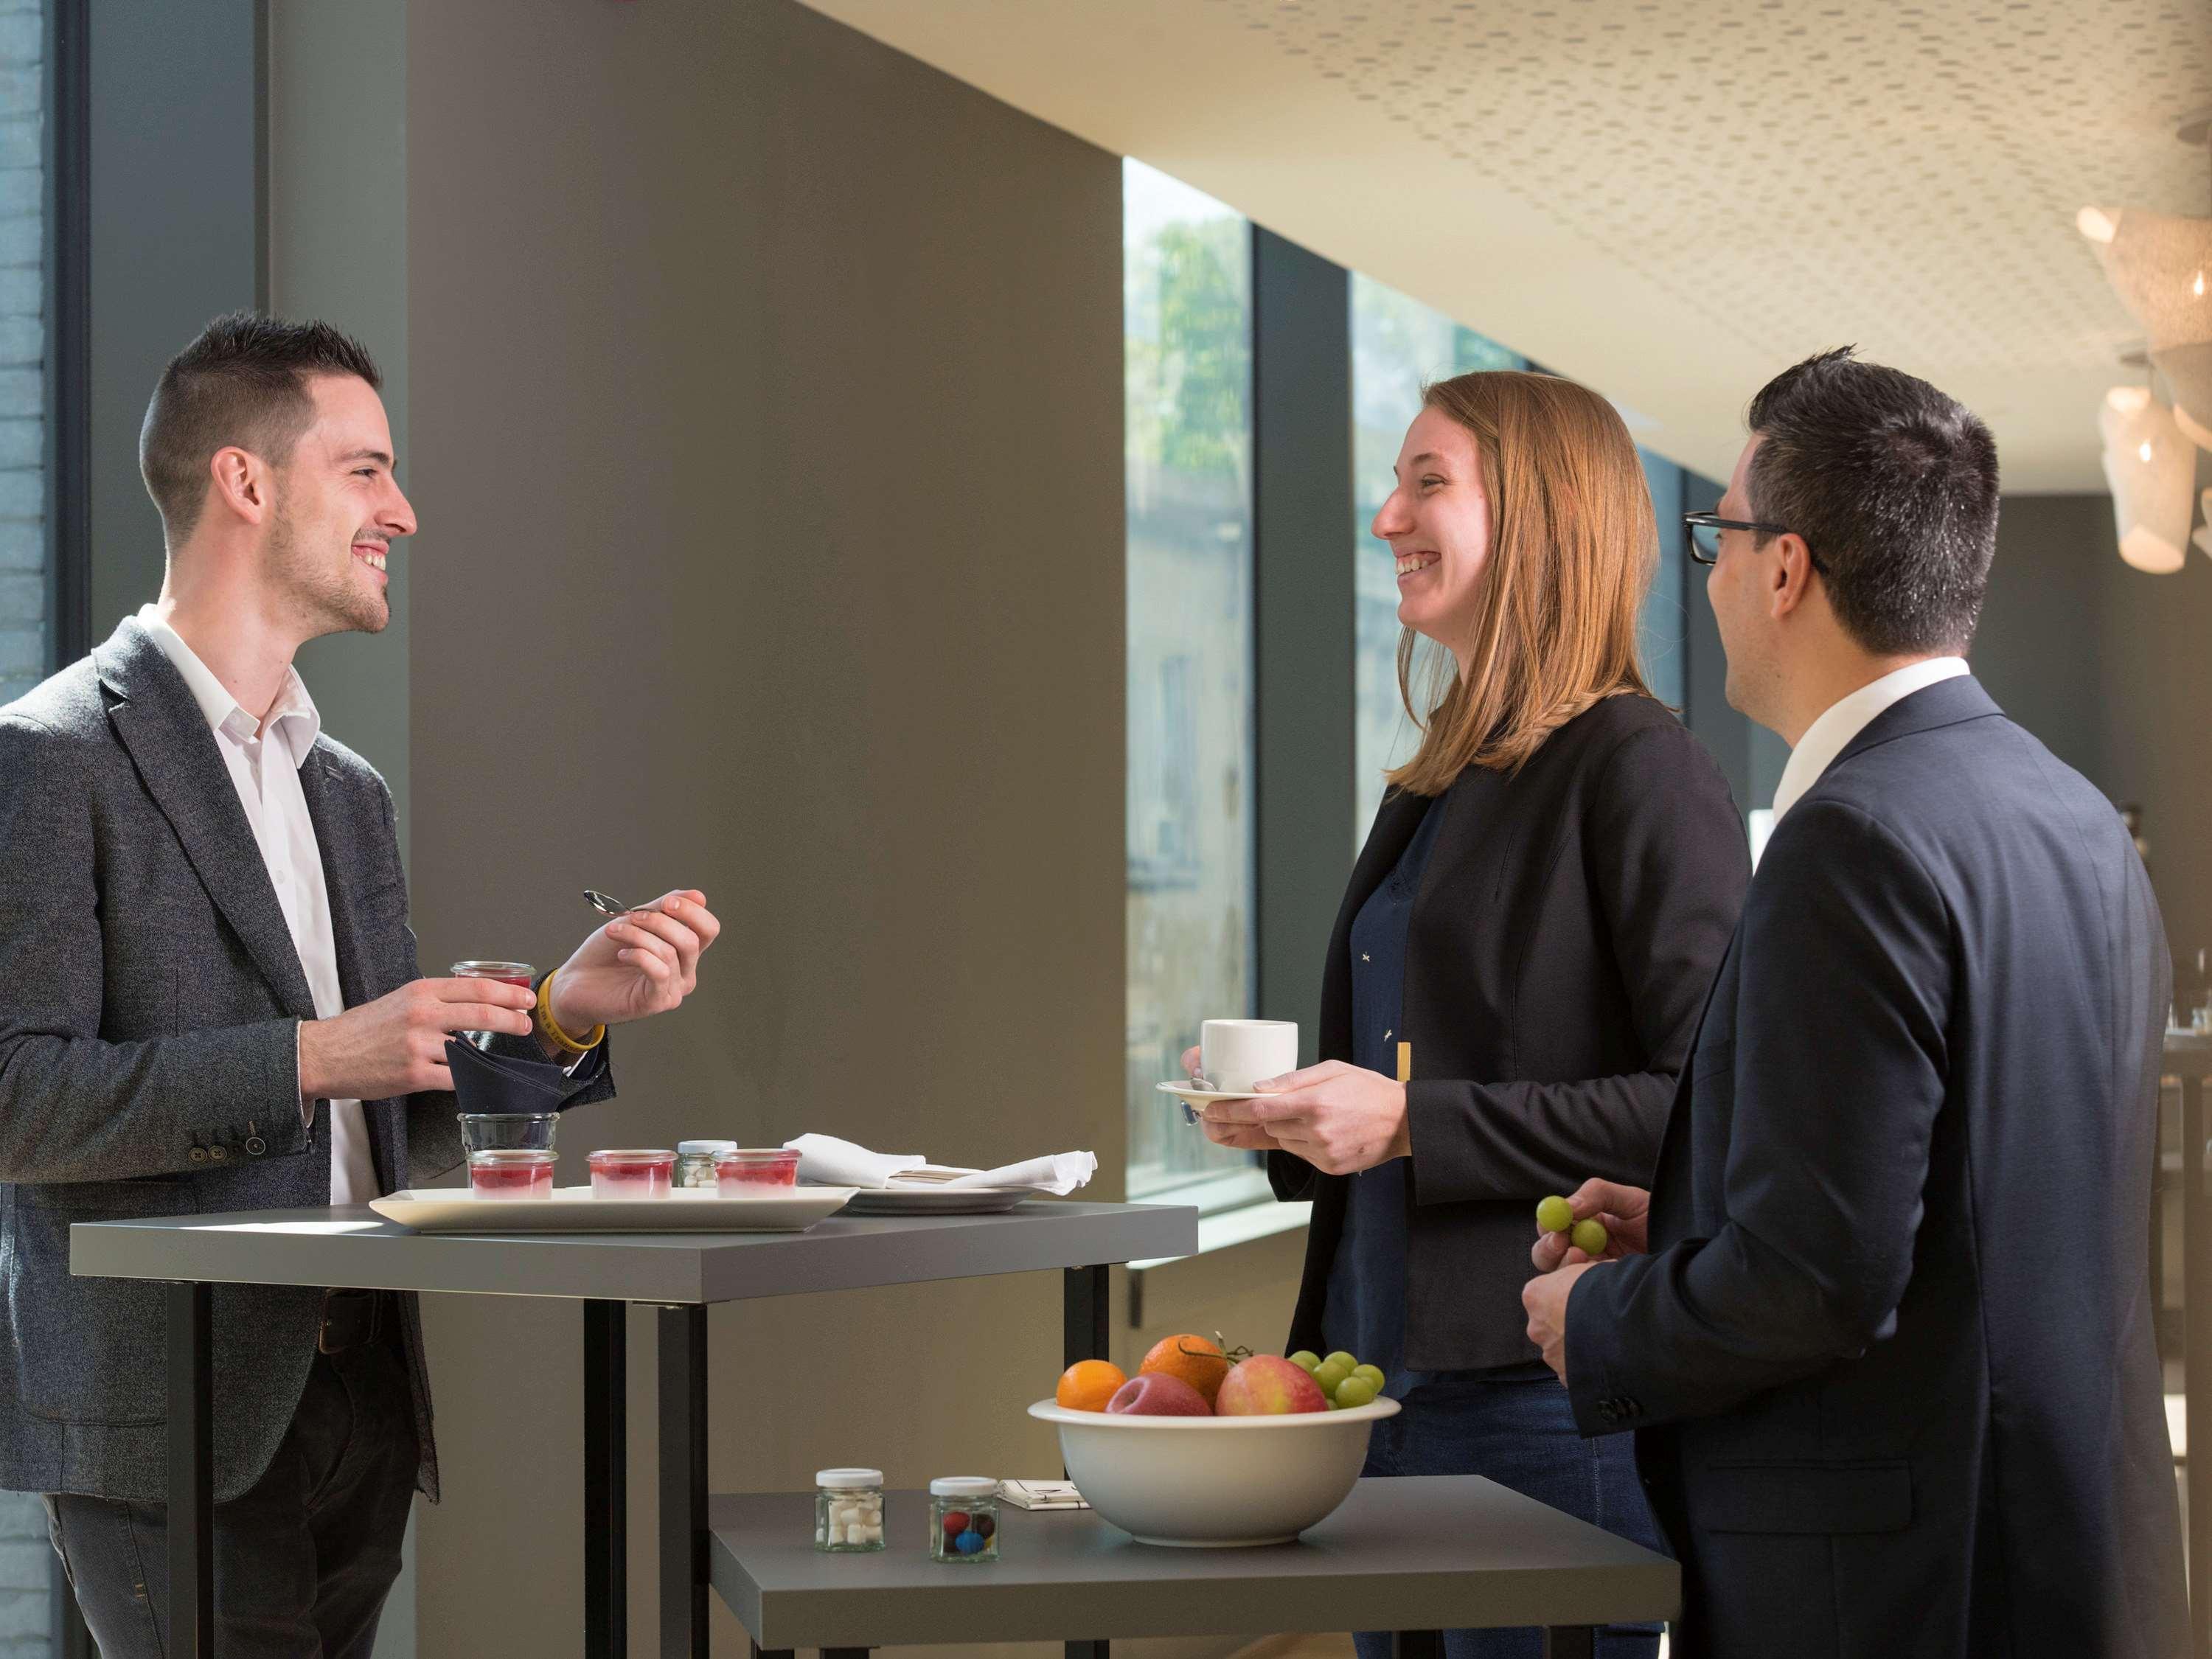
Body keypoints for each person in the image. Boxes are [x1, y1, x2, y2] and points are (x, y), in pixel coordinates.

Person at [0, 313, 722, 1659]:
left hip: (364, 1406)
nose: (403, 508)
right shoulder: (50, 758)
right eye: (367, 470)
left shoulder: (349, 794)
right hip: (176, 1423)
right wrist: (317, 1054)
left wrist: (563, 1011)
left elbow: (394, 1124)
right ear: (247, 482)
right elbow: (18, 1101)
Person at [1522, 347, 2189, 1658]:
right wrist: (1700, 1216)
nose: (1706, 577)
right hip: (2073, 1555)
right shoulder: (2077, 817)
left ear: (1786, 567)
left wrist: (1594, 1317)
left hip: (1892, 1590)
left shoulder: (1851, 838)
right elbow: (1983, 1202)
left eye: (1718, 535)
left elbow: (1818, 1285)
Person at [1194, 370, 1747, 1659]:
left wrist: (1408, 1125)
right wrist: (1299, 1120)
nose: (1386, 515)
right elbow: (1437, 1059)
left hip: (1541, 1398)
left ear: (1544, 517)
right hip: (1374, 1379)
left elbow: (1707, 1103)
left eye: (1428, 481)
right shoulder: (1445, 775)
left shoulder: (1642, 772)